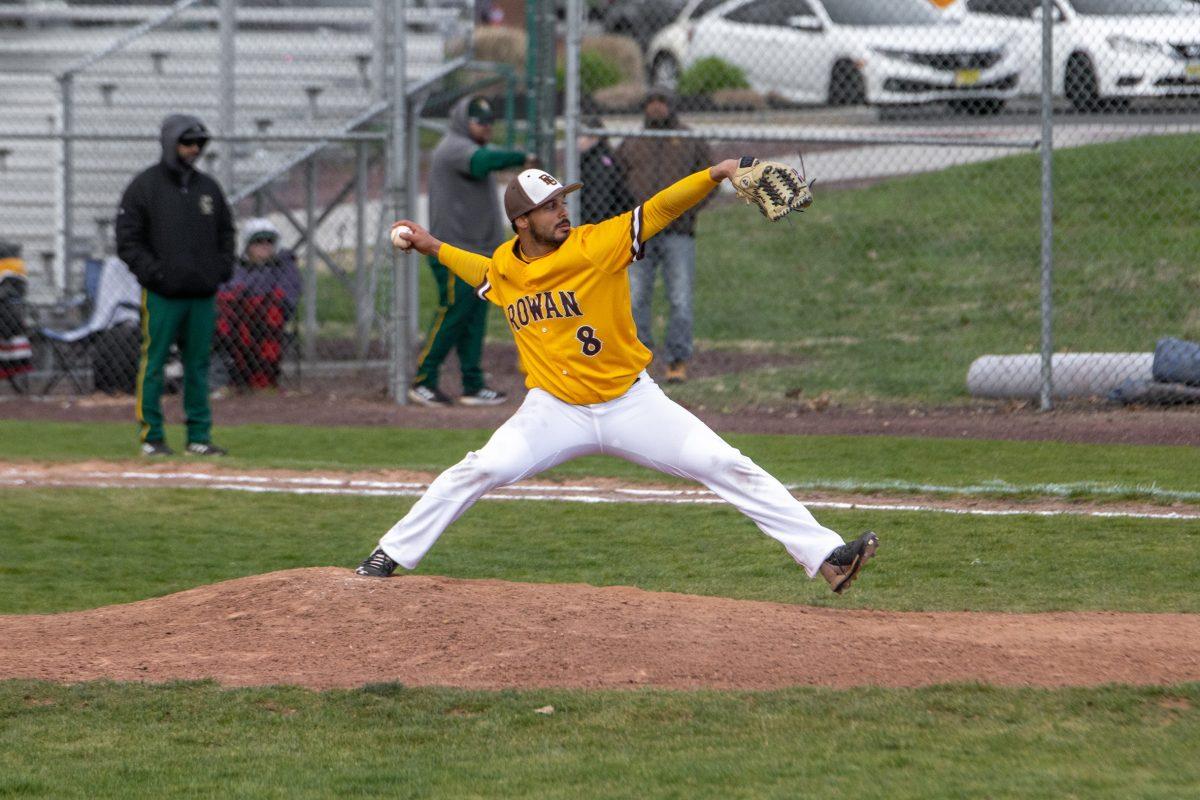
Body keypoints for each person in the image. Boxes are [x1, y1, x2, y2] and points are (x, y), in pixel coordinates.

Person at [354, 161, 879, 594]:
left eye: (563, 202)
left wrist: (716, 173)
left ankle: (828, 556)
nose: (563, 211)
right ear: (521, 222)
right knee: (480, 467)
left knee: (725, 463)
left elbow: (659, 209)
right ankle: (389, 554)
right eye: (550, 206)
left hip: (633, 404)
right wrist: (430, 246)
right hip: (552, 411)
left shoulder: (596, 244)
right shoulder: (506, 265)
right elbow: (484, 273)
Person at [116, 114, 234, 457]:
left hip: (202, 295)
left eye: (198, 144)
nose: (193, 150)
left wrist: (220, 270)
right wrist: (156, 275)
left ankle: (199, 437)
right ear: (170, 144)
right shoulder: (144, 187)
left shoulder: (208, 189)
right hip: (162, 296)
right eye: (186, 143)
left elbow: (226, 233)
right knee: (153, 364)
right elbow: (128, 241)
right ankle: (152, 438)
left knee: (198, 367)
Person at [409, 94, 537, 408]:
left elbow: (485, 157)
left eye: (490, 122)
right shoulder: (453, 146)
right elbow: (482, 162)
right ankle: (423, 380)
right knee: (454, 311)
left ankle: (473, 384)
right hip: (451, 249)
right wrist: (522, 156)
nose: (486, 127)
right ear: (464, 122)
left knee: (474, 316)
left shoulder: (471, 146)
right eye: (479, 121)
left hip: (478, 252)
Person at [616, 87, 712, 384]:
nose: (656, 108)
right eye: (651, 103)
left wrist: (687, 212)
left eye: (662, 103)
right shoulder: (632, 143)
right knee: (635, 297)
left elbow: (709, 180)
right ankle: (639, 361)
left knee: (680, 298)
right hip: (640, 233)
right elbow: (616, 182)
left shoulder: (689, 140)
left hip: (678, 233)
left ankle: (677, 360)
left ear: (672, 107)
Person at [214, 218, 301, 391]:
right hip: (237, 321)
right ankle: (226, 380)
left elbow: (286, 296)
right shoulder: (235, 267)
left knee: (269, 309)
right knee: (221, 310)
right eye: (258, 242)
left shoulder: (284, 265)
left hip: (265, 321)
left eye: (269, 241)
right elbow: (223, 291)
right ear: (247, 245)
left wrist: (249, 299)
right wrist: (245, 298)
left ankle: (262, 380)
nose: (264, 246)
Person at [577, 116, 636, 225]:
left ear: (594, 137)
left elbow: (598, 200)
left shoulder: (598, 162)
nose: (577, 141)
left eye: (581, 135)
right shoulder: (589, 158)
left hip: (597, 224)